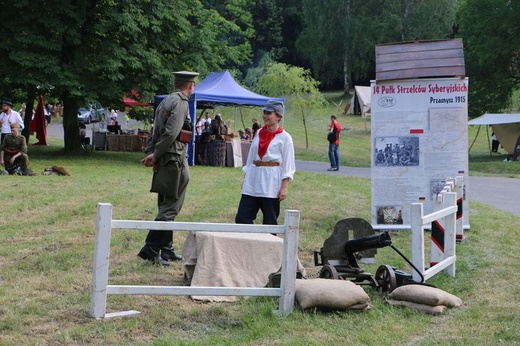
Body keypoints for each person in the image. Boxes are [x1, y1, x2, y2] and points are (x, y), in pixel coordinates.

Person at [138, 70, 199, 266]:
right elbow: (172, 132)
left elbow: (155, 130)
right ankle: (151, 248)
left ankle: (166, 248)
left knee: (165, 201)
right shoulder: (181, 102)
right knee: (171, 205)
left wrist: (151, 153)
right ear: (190, 85)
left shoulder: (166, 101)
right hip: (175, 160)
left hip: (165, 159)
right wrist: (154, 155)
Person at [235, 100, 295, 225]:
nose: (265, 116)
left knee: (270, 221)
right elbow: (251, 156)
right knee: (242, 218)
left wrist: (284, 187)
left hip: (271, 181)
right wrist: (246, 177)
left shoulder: (285, 137)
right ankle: (248, 242)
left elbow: (288, 164)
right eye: (264, 112)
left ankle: (269, 243)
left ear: (278, 116)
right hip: (253, 178)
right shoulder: (258, 133)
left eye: (269, 113)